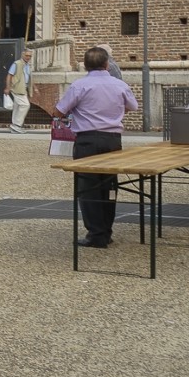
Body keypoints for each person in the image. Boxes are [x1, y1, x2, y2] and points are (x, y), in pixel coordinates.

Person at [48, 46, 138, 248]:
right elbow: (133, 107)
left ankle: (96, 233)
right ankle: (106, 230)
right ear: (107, 64)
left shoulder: (79, 86)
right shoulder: (119, 84)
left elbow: (58, 112)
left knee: (88, 187)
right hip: (112, 140)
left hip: (87, 140)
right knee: (109, 185)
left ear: (85, 66)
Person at [5, 48, 33, 132]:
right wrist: (7, 87)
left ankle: (14, 125)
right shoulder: (17, 63)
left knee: (17, 106)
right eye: (27, 55)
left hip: (23, 88)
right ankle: (17, 125)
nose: (28, 57)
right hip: (17, 88)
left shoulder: (27, 65)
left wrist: (33, 88)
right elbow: (9, 75)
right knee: (25, 105)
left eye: (30, 56)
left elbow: (28, 78)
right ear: (23, 55)